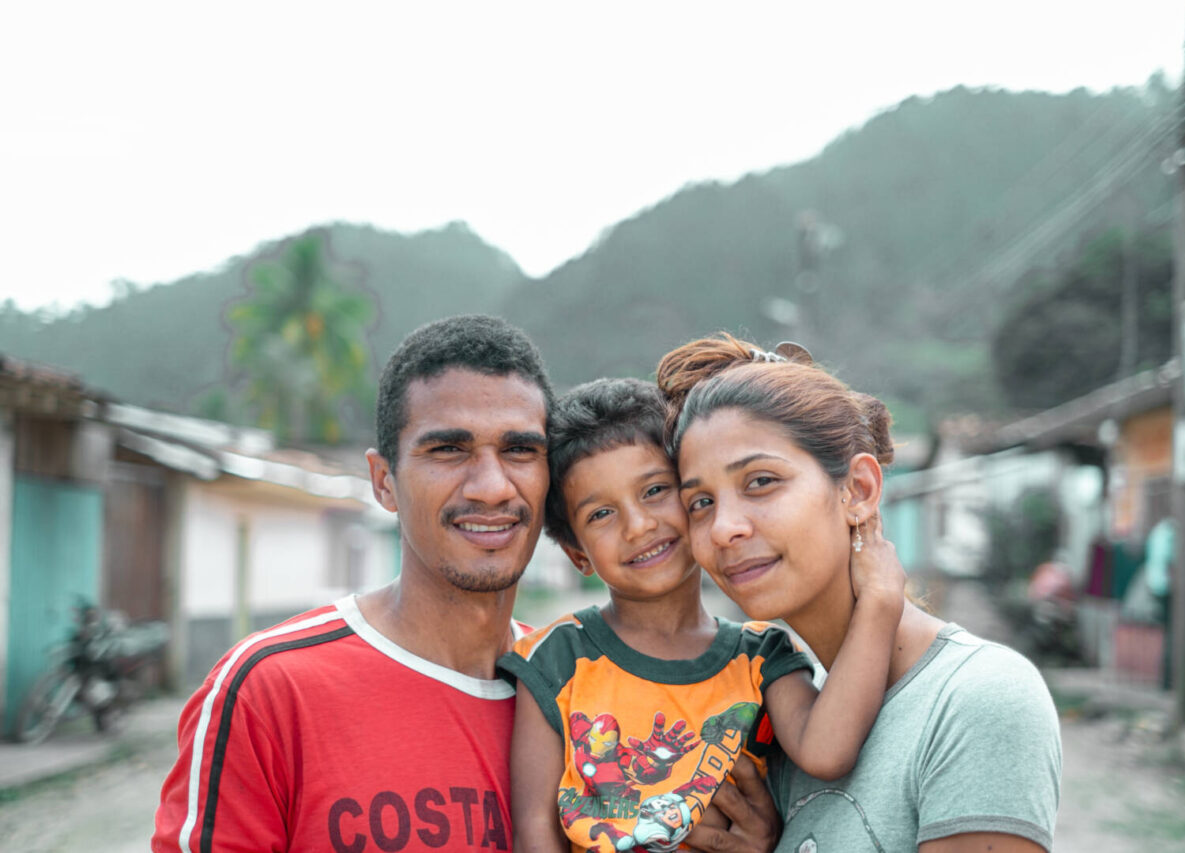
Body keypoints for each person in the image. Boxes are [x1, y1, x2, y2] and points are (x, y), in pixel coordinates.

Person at [152, 315, 778, 853]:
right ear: (384, 481)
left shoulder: (585, 685)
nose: (492, 487)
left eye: (520, 450)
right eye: (448, 450)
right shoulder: (268, 690)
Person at [658, 333, 1062, 853]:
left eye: (760, 482)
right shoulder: (784, 723)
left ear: (858, 490)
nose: (723, 529)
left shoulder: (975, 698)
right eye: (701, 503)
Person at [498, 378, 904, 852]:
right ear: (578, 555)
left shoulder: (760, 658)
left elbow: (827, 751)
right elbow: (535, 829)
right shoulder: (555, 658)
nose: (639, 526)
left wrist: (879, 603)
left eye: (655, 490)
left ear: (697, 499)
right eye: (601, 514)